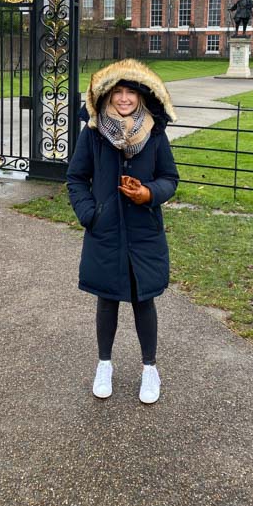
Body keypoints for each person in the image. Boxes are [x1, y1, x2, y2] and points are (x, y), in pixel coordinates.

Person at [66, 59, 179, 404]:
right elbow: (75, 178)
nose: (125, 98)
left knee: (144, 301)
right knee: (107, 300)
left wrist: (148, 194)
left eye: (131, 92)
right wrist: (91, 214)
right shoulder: (94, 132)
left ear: (141, 97)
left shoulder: (155, 134)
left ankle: (149, 369)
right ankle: (104, 365)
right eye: (118, 92)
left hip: (144, 232)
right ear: (108, 96)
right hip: (106, 231)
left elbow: (169, 179)